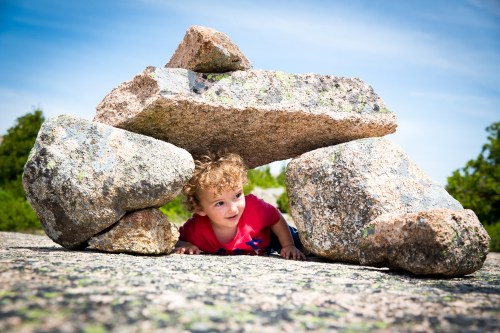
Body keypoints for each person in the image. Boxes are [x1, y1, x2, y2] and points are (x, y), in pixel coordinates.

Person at [175, 152, 306, 260]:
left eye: (237, 195)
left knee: (302, 242)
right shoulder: (197, 229)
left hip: (272, 237)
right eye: (220, 203)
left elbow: (275, 217)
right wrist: (185, 244)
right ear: (200, 209)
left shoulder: (254, 208)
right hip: (257, 245)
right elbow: (176, 239)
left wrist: (288, 245)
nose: (233, 209)